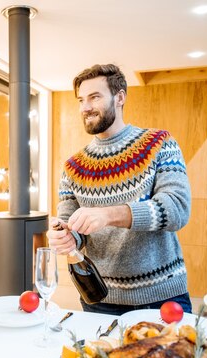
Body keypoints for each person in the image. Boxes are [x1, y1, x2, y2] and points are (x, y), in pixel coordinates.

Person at [46, 63, 192, 316]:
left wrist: (108, 214)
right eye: (81, 100)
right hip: (99, 296)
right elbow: (73, 227)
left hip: (162, 296)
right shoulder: (73, 166)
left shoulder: (160, 144)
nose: (85, 107)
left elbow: (177, 209)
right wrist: (66, 237)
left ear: (120, 97)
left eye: (94, 97)